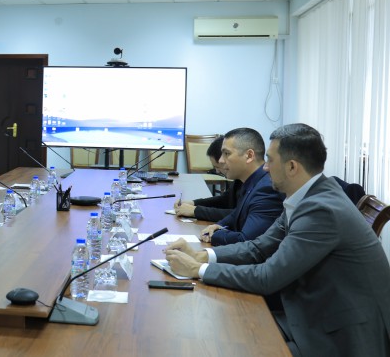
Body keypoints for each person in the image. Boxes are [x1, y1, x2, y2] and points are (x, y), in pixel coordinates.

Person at [165, 123, 390, 356]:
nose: (264, 168)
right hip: (310, 312)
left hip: (341, 336)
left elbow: (267, 277)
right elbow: (258, 248)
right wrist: (202, 255)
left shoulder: (321, 209)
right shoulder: (304, 197)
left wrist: (197, 269)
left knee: (227, 343)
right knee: (224, 331)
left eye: (270, 160)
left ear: (291, 167)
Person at [198, 128, 283, 245]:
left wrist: (214, 235)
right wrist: (218, 225)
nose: (221, 160)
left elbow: (247, 240)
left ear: (249, 155)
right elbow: (238, 214)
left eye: (226, 153)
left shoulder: (266, 188)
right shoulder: (251, 181)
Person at [174, 135, 243, 222]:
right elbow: (224, 200)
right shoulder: (240, 180)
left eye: (218, 166)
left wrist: (195, 211)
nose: (217, 171)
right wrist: (193, 203)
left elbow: (240, 216)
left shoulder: (257, 186)